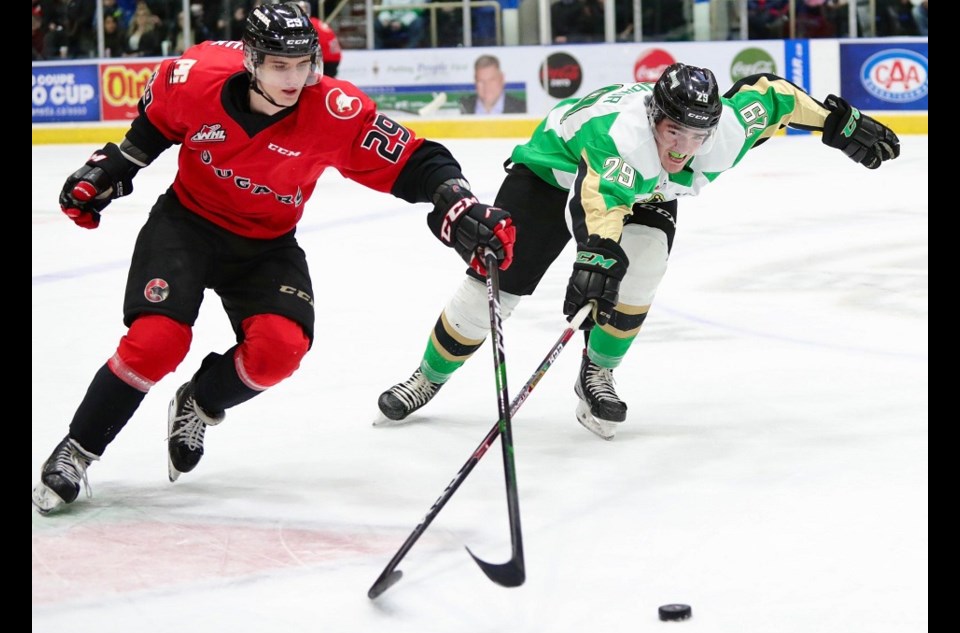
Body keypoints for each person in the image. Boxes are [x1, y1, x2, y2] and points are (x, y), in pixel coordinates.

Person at [32, 1, 515, 516]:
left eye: (303, 64)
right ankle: (79, 449)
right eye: (279, 66)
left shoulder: (332, 111)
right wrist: (108, 170)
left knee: (280, 350)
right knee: (156, 341)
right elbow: (154, 128)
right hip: (187, 226)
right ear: (251, 61)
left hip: (265, 245)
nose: (293, 79)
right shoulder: (195, 78)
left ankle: (200, 401)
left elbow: (417, 160)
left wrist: (457, 201)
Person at [377, 62, 900, 440]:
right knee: (495, 286)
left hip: (640, 190)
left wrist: (839, 122)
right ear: (654, 116)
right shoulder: (624, 137)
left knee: (645, 264)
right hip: (551, 171)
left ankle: (597, 371)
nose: (682, 148)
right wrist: (597, 256)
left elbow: (776, 95)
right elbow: (599, 200)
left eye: (697, 136)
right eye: (674, 131)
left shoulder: (725, 131)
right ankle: (427, 377)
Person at [459, 55, 526, 115]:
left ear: (502, 79)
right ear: (475, 81)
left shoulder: (524, 110)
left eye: (491, 80)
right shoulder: (461, 109)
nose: (487, 87)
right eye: (481, 81)